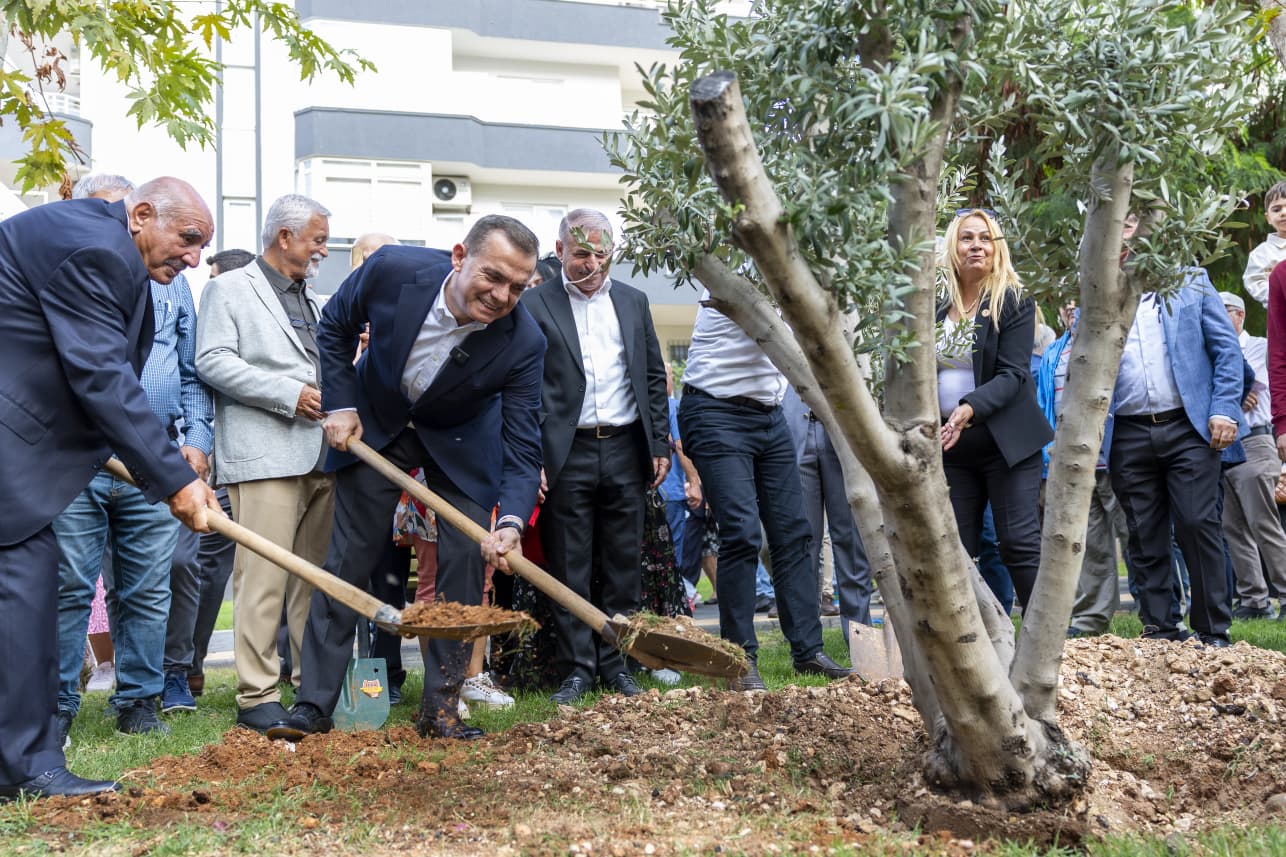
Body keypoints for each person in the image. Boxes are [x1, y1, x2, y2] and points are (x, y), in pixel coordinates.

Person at [284, 215, 545, 741]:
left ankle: (441, 710)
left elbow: (522, 444)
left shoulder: (524, 340)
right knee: (348, 560)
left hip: (461, 442)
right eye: (493, 276)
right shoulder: (391, 270)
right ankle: (313, 705)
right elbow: (334, 326)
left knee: (466, 563)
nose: (502, 296)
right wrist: (342, 404)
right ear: (459, 256)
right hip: (378, 424)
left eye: (517, 287)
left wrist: (511, 522)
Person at [0, 176, 217, 798]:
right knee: (27, 600)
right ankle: (28, 768)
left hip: (24, 446)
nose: (193, 258)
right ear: (141, 213)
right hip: (14, 448)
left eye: (202, 247)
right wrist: (174, 479)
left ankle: (22, 761)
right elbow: (100, 372)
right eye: (188, 238)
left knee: (28, 598)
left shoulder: (97, 239)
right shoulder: (98, 249)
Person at [51, 173, 215, 737]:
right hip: (80, 458)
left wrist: (195, 440)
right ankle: (56, 706)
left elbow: (191, 371)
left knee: (148, 586)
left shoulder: (171, 282)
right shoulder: (72, 274)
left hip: (155, 457)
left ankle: (139, 702)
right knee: (70, 586)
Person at [195, 195, 336, 735]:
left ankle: (309, 692)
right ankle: (257, 697)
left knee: (311, 582)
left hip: (321, 455)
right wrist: (288, 393)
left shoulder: (316, 301)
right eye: (318, 240)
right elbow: (212, 361)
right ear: (284, 237)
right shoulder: (228, 288)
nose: (323, 250)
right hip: (264, 457)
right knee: (262, 579)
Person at [521, 209, 670, 704]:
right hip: (566, 451)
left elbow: (652, 375)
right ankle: (578, 670)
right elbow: (521, 386)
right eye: (582, 254)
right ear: (559, 250)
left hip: (626, 447)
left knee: (624, 563)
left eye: (602, 255)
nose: (592, 265)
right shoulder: (534, 303)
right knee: (571, 566)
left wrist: (659, 443)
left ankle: (619, 664)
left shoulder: (633, 300)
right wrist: (531, 457)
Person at [678, 294, 852, 691]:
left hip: (769, 416)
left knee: (794, 533)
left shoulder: (790, 278)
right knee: (742, 533)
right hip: (715, 411)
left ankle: (808, 651)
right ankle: (739, 660)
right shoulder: (730, 276)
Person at [1109, 250, 1242, 646]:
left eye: (1134, 226)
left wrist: (1224, 408)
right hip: (1127, 431)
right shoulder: (1101, 291)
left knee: (1197, 522)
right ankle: (1160, 627)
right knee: (1143, 531)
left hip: (1190, 427)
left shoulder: (1192, 281)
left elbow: (1227, 350)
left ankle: (1212, 629)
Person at [937, 210, 1052, 613]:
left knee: (1017, 543)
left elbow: (1013, 374)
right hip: (952, 447)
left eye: (985, 238)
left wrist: (967, 408)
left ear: (997, 247)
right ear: (952, 246)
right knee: (954, 551)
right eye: (967, 238)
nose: (977, 246)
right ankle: (972, 641)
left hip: (1007, 444)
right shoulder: (934, 304)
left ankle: (1042, 638)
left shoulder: (1013, 300)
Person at [184, 249, 254, 698]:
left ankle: (281, 667)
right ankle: (190, 666)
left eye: (213, 279)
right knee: (206, 564)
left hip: (257, 464)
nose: (207, 287)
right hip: (218, 470)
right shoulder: (208, 325)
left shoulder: (256, 322)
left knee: (268, 568)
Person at [1038, 305, 1130, 636]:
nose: (1071, 309)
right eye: (1065, 304)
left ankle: (1159, 613)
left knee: (1135, 535)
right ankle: (1091, 617)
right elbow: (1045, 402)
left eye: (1076, 302)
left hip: (1115, 455)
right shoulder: (1054, 351)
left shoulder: (1114, 339)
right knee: (1091, 544)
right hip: (1072, 463)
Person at [781, 386, 873, 625]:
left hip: (842, 428)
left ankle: (858, 632)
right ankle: (806, 638)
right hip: (793, 426)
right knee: (802, 541)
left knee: (850, 538)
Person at [1220, 291, 1286, 620]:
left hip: (1256, 441)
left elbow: (1255, 388)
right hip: (1223, 447)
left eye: (1223, 311)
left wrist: (1230, 392)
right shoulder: (1213, 352)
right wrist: (1233, 394)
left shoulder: (1260, 346)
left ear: (1240, 314)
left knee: (1263, 523)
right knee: (1233, 527)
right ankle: (1254, 600)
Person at [1243, 181, 1286, 307]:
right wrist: (1278, 293)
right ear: (1268, 218)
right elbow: (1255, 282)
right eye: (1277, 209)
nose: (1283, 212)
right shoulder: (1261, 254)